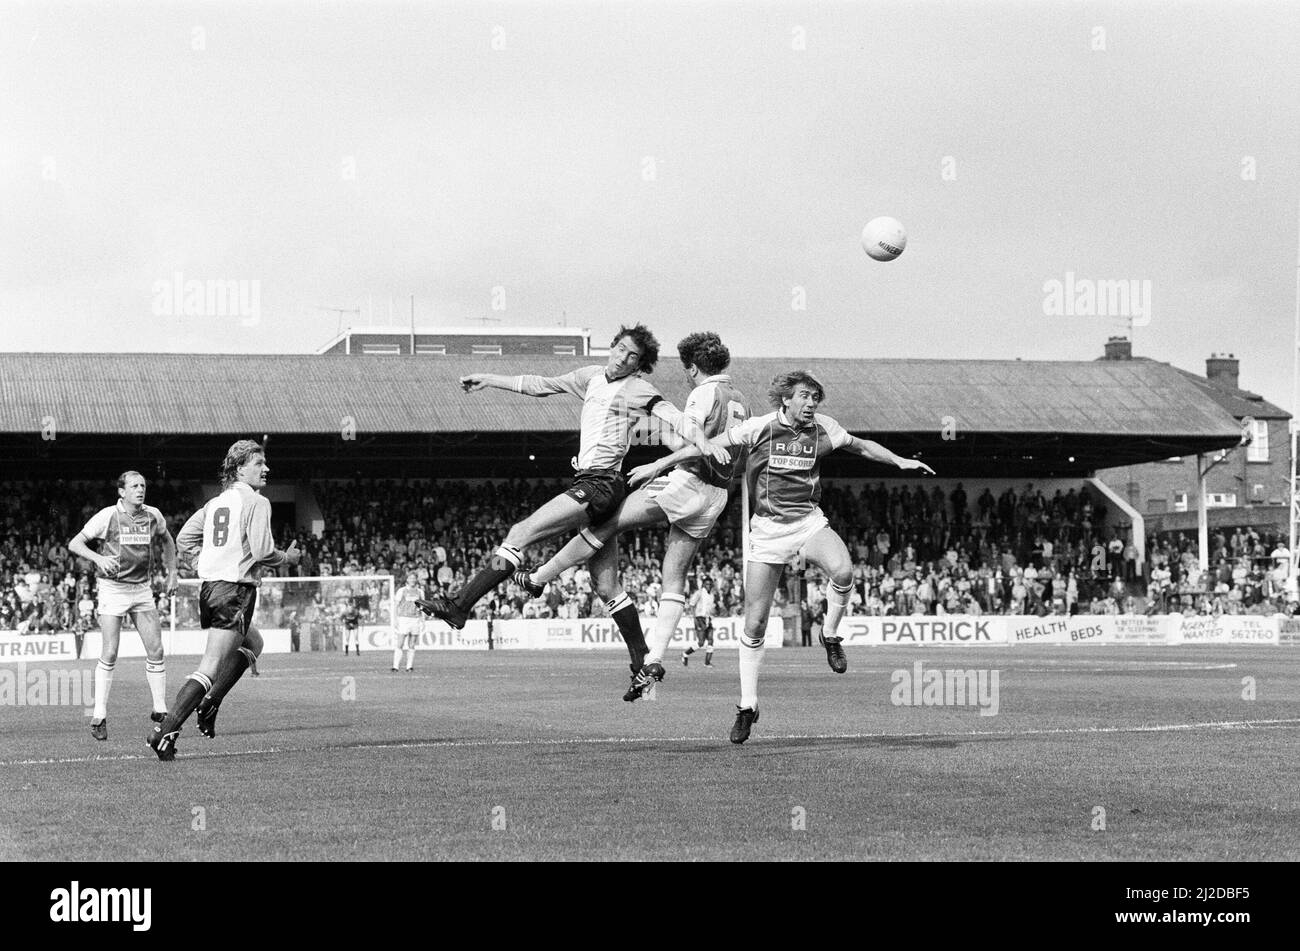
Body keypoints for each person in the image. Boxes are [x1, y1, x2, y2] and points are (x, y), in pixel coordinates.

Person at [418, 325, 717, 680]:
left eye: (632, 355)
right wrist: (489, 378)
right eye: (620, 348)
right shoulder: (589, 377)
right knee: (606, 585)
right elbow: (540, 385)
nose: (622, 357)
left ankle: (460, 605)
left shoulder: (640, 389)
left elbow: (676, 418)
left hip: (600, 485)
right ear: (613, 346)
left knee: (520, 532)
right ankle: (642, 664)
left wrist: (709, 438)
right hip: (593, 484)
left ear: (640, 364)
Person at [691, 370, 934, 743]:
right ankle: (747, 705)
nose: (811, 404)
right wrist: (660, 466)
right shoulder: (759, 428)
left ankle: (830, 634)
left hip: (807, 523)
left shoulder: (824, 428)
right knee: (755, 624)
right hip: (768, 530)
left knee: (844, 570)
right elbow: (706, 444)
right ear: (786, 399)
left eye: (815, 398)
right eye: (805, 396)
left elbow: (862, 446)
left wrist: (900, 461)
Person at [509, 331, 743, 700]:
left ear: (693, 367)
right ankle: (654, 661)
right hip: (717, 496)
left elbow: (692, 436)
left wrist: (657, 464)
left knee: (606, 523)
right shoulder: (739, 399)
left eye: (686, 370)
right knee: (674, 579)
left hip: (688, 482)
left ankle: (539, 578)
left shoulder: (702, 393)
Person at [149, 440, 300, 760]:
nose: (266, 469)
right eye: (259, 463)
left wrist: (208, 561)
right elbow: (262, 551)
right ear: (239, 469)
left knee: (254, 644)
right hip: (235, 591)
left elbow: (185, 539)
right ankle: (166, 731)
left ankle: (210, 702)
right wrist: (288, 556)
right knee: (210, 665)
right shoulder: (257, 502)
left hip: (213, 588)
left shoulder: (215, 503)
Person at [67, 471, 177, 741]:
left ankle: (160, 710)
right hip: (112, 589)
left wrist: (173, 571)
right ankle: (99, 716)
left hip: (141, 589)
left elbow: (167, 540)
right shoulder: (107, 516)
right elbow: (75, 543)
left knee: (156, 649)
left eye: (143, 485)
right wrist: (98, 559)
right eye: (134, 486)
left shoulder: (153, 515)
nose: (140, 490)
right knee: (110, 651)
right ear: (121, 492)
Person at [681, 576, 718, 668]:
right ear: (704, 584)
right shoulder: (699, 593)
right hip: (699, 618)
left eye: (710, 584)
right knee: (701, 642)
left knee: (711, 640)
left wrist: (714, 612)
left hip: (708, 618)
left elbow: (711, 607)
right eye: (707, 584)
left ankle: (707, 662)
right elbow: (692, 605)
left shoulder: (712, 594)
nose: (709, 586)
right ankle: (685, 654)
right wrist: (695, 618)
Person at [393, 572, 423, 671]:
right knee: (400, 642)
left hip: (415, 619)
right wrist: (395, 619)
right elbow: (396, 605)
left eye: (414, 578)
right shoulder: (401, 591)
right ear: (407, 580)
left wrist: (423, 620)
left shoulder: (420, 592)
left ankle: (409, 666)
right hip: (403, 619)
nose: (412, 580)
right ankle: (395, 666)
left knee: (412, 643)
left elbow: (423, 607)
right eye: (410, 578)